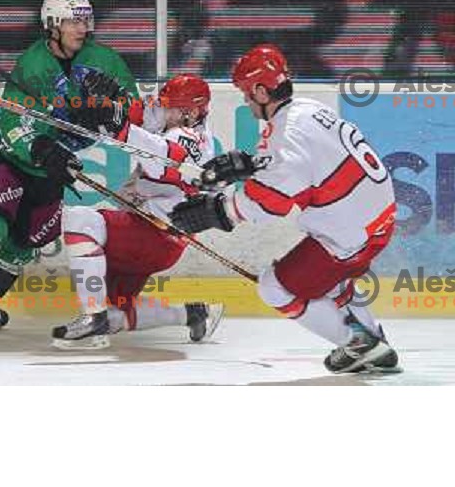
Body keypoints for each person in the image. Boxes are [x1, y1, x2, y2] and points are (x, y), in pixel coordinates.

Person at [170, 44, 400, 374]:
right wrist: (251, 165)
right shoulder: (307, 109)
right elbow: (303, 163)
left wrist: (217, 212)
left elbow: (270, 203)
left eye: (248, 96)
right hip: (378, 217)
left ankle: (360, 343)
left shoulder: (286, 132)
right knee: (331, 282)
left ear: (262, 91)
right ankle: (376, 341)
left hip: (350, 232)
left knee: (274, 286)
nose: (248, 104)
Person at [0, 0, 138, 337]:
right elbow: (11, 123)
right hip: (11, 161)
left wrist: (111, 111)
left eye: (86, 20)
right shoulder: (33, 64)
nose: (83, 27)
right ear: (53, 25)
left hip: (51, 174)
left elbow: (134, 109)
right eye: (74, 21)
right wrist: (41, 148)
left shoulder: (105, 61)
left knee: (21, 249)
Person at [52, 74, 224, 349]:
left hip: (155, 234)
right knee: (116, 313)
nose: (164, 111)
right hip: (148, 236)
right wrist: (114, 103)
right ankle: (195, 312)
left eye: (171, 107)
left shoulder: (193, 138)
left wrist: (119, 126)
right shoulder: (175, 118)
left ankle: (91, 316)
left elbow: (162, 158)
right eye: (165, 104)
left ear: (191, 112)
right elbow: (144, 115)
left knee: (79, 219)